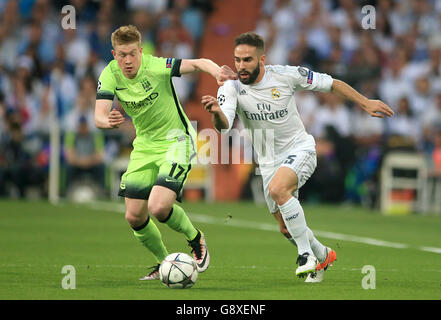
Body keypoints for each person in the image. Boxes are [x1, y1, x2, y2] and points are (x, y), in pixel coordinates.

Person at [201, 32, 394, 283]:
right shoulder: (230, 87)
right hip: (268, 161)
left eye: (247, 60)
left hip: (299, 149)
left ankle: (306, 256)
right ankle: (323, 254)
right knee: (285, 227)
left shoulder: (285, 75)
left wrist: (365, 102)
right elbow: (223, 127)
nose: (240, 66)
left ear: (262, 60)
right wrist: (216, 111)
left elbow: (332, 83)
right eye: (237, 60)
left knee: (279, 189)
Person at [94, 25, 236, 280]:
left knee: (158, 207)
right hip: (145, 145)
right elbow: (98, 116)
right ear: (114, 54)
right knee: (134, 216)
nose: (127, 61)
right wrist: (108, 121)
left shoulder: (157, 66)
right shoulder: (110, 74)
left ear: (140, 51)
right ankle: (163, 264)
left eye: (132, 54)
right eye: (121, 55)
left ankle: (195, 238)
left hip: (176, 140)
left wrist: (218, 72)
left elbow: (199, 62)